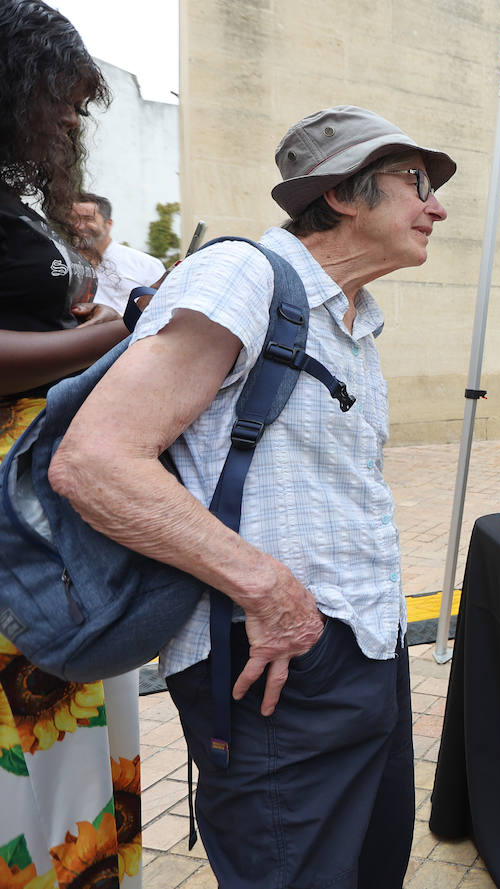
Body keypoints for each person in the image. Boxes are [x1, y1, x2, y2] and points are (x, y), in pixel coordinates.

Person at [50, 105, 455, 888]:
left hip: (361, 651)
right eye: (417, 181)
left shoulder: (354, 320)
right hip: (274, 668)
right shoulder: (244, 274)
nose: (435, 207)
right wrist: (269, 590)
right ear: (341, 192)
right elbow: (94, 462)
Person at [1, 3, 144, 887]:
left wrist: (71, 323)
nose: (70, 119)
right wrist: (104, 338)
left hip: (39, 486)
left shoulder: (11, 197)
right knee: (36, 714)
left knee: (77, 697)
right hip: (13, 510)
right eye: (60, 95)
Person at [71, 192, 167, 315]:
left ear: (109, 224)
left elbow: (162, 312)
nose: (78, 226)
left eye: (88, 219)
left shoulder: (146, 265)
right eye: (73, 219)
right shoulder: (60, 262)